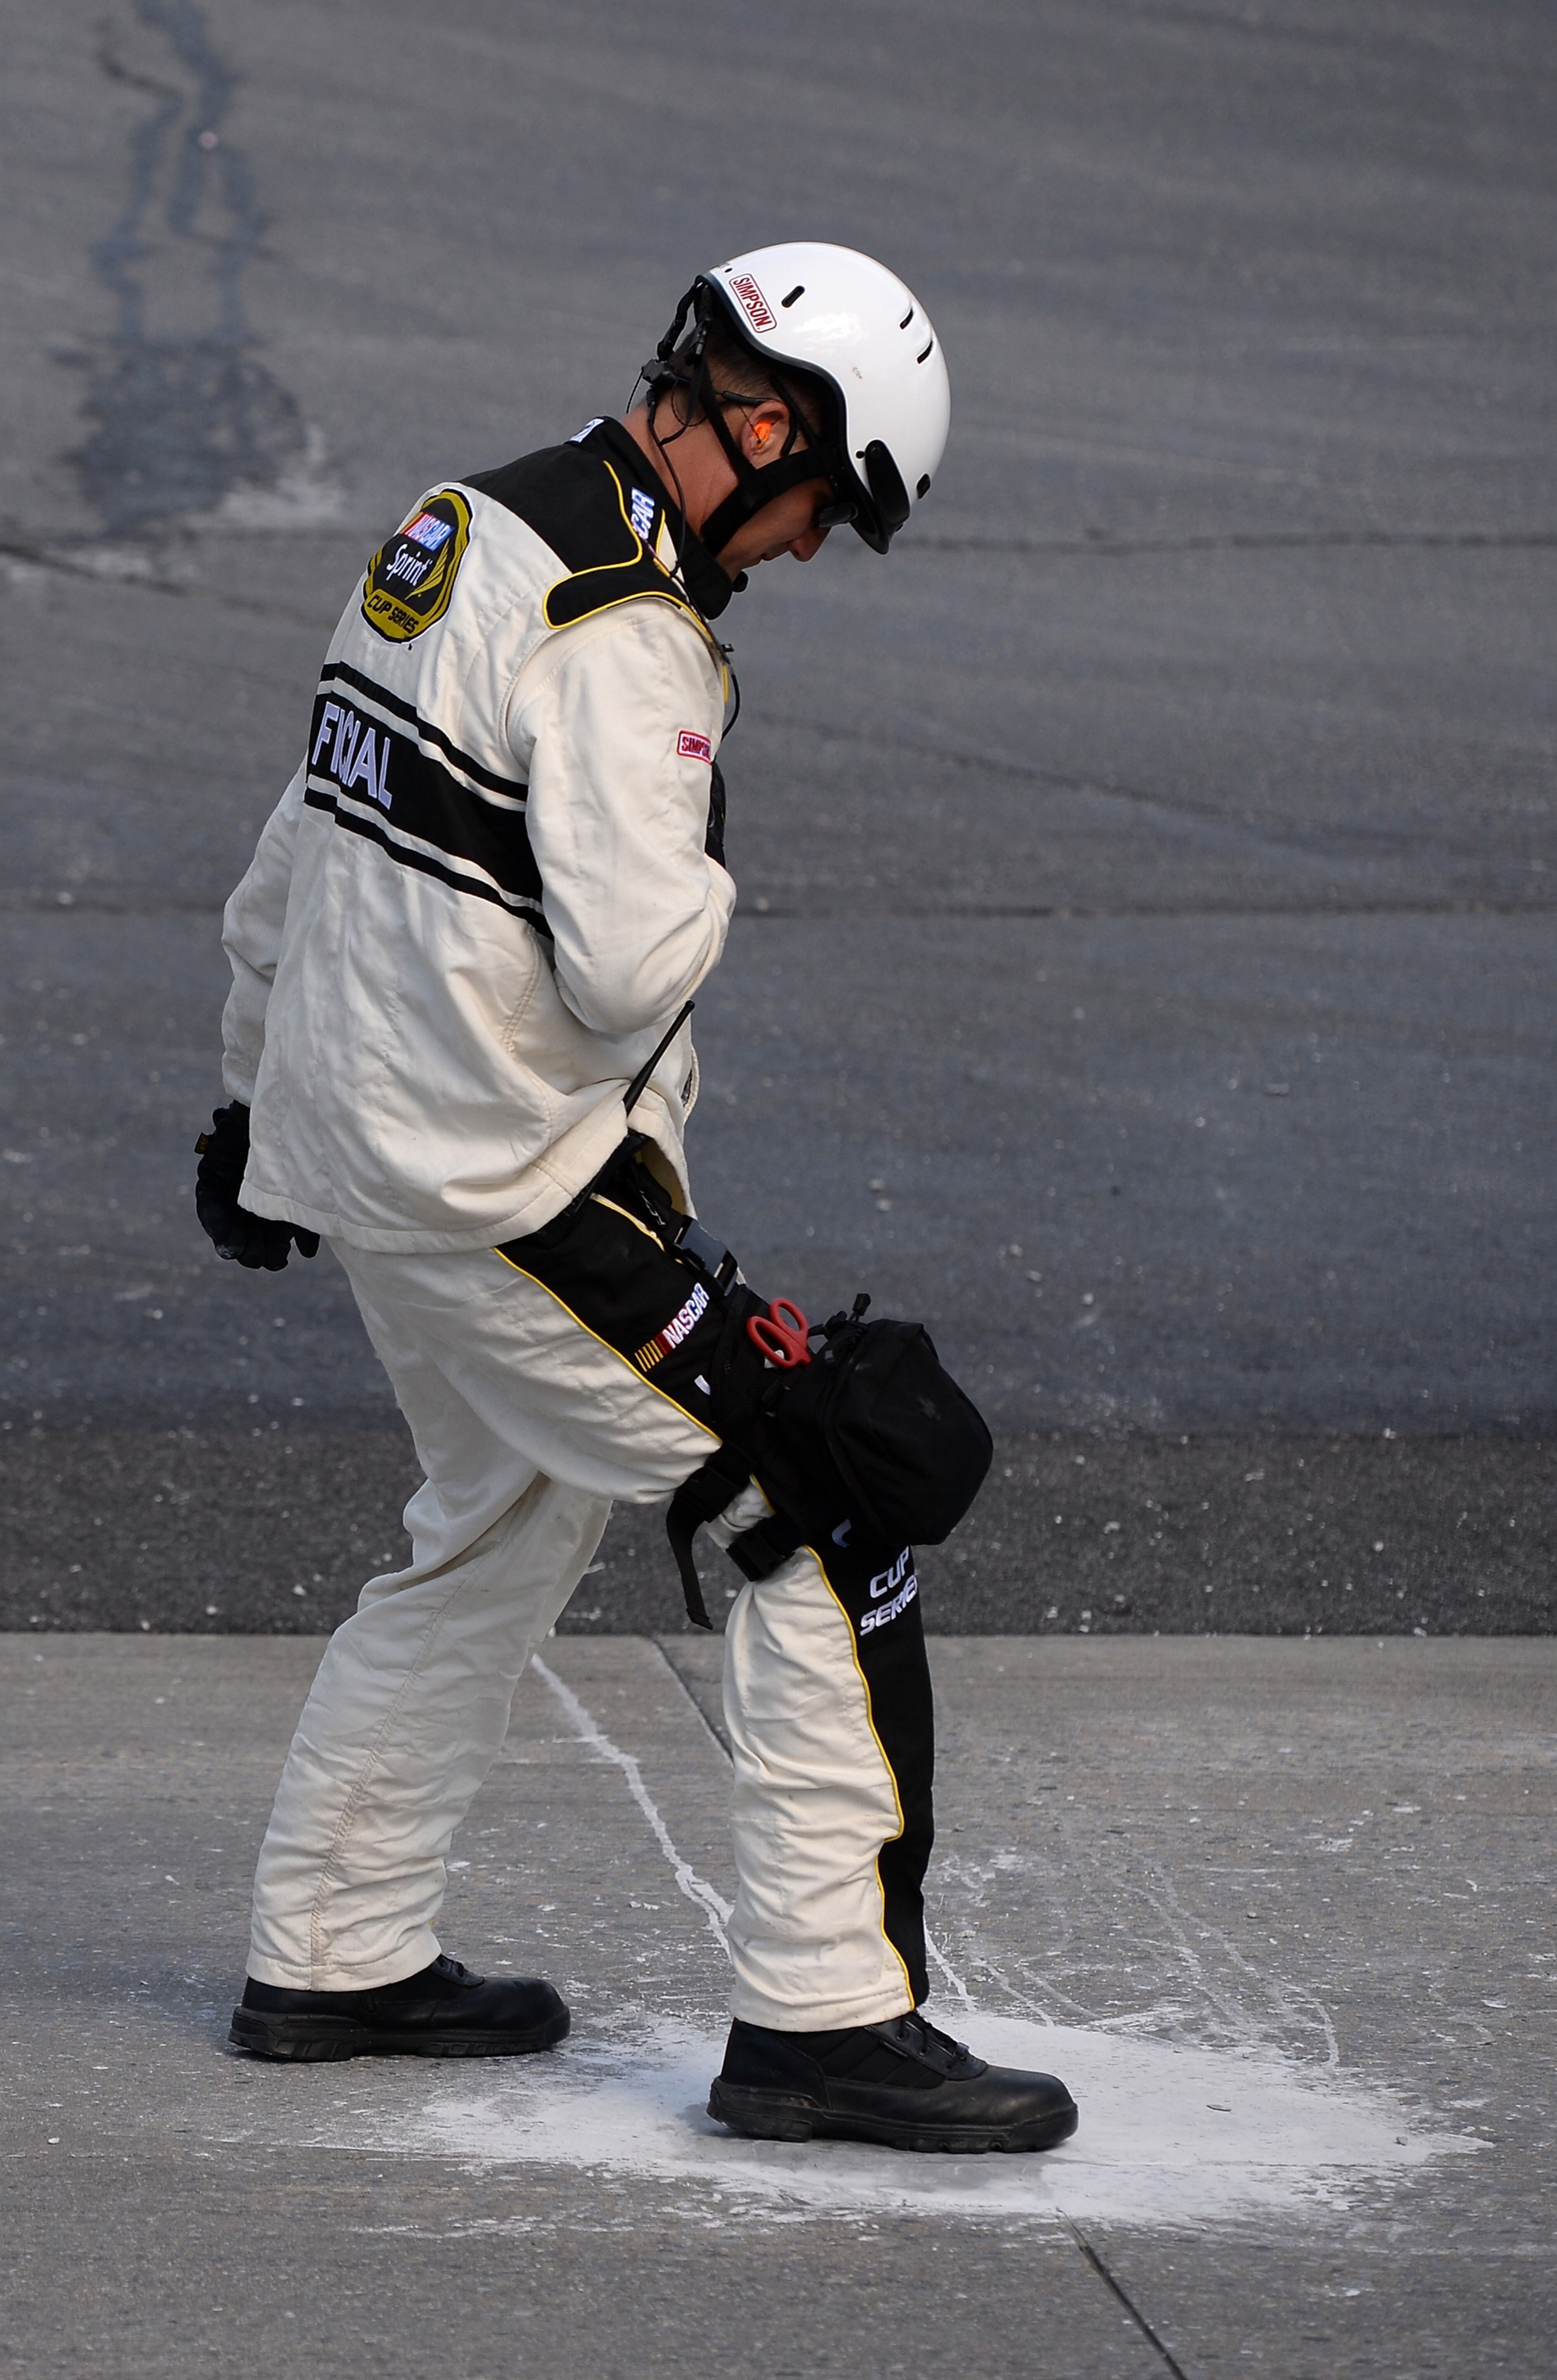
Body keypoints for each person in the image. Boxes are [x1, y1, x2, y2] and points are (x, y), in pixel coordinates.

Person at [195, 242, 1077, 2154]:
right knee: (818, 1500)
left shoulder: (463, 524)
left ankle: (335, 1954)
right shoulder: (632, 629)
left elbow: (304, 832)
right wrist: (707, 857)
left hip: (372, 1141)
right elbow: (619, 968)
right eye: (823, 504)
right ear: (765, 424)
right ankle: (828, 2024)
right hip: (495, 1168)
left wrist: (252, 1096)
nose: (814, 551)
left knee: (496, 1519)